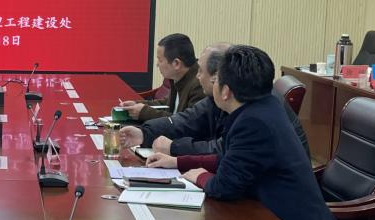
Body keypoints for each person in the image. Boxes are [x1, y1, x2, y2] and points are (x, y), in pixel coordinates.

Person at [179, 45, 344, 220]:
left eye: (215, 81)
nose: (213, 86)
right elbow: (230, 160)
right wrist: (179, 162)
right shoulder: (264, 107)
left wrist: (200, 176)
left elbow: (224, 187)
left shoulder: (253, 123)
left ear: (226, 91)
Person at [119, 43, 310, 160]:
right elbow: (187, 120)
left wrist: (174, 149)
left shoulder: (253, 108)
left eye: (201, 71)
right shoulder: (221, 97)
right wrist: (145, 134)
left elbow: (223, 150)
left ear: (219, 76)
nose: (197, 76)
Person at [117, 33, 205, 122]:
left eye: (160, 60)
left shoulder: (200, 84)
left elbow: (187, 122)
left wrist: (144, 112)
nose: (157, 64)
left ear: (176, 63)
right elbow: (166, 104)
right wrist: (136, 104)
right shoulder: (178, 77)